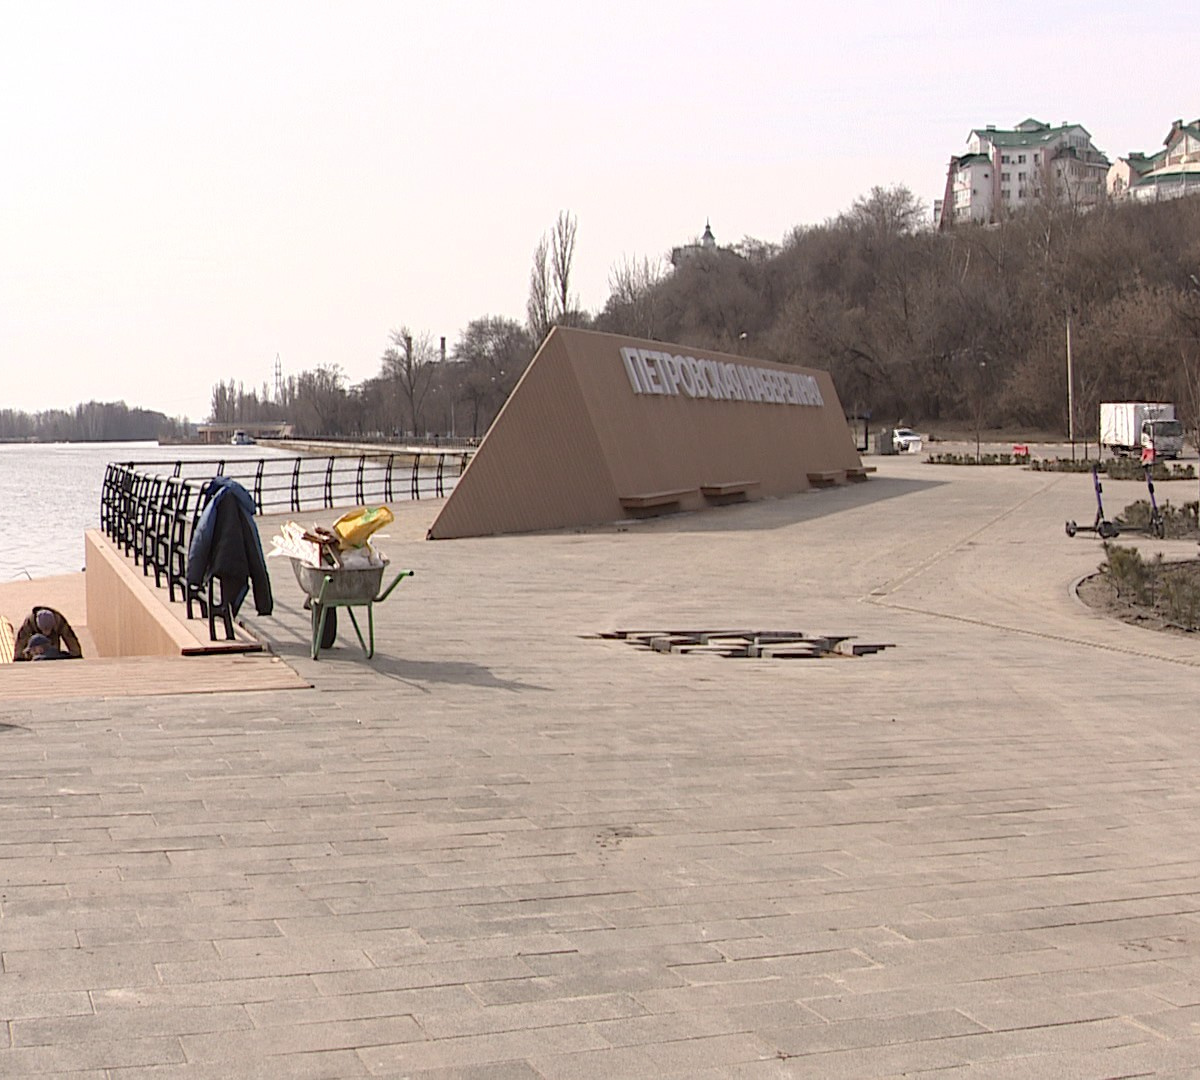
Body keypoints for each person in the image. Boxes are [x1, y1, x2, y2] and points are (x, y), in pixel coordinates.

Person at [14, 606, 82, 661]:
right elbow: (21, 639)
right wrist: (19, 657)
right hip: (37, 638)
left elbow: (69, 637)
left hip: (54, 636)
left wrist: (76, 655)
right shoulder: (29, 622)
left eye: (48, 629)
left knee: (52, 654)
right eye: (44, 630)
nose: (46, 633)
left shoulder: (59, 621)